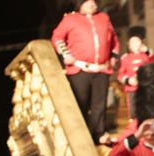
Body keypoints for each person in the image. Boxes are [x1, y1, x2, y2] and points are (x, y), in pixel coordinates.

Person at [51, 0, 119, 144]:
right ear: (80, 4)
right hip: (80, 68)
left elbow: (114, 39)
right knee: (81, 103)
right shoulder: (70, 19)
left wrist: (113, 56)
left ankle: (98, 133)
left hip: (101, 69)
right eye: (88, 1)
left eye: (93, 1)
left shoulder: (104, 17)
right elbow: (57, 37)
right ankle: (80, 135)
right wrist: (66, 54)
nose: (92, 4)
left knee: (99, 104)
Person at [116, 26, 154, 120]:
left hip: (145, 88)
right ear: (128, 44)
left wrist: (146, 51)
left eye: (137, 41)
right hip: (132, 89)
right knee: (133, 112)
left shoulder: (145, 56)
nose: (135, 44)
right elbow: (120, 75)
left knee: (147, 109)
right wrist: (128, 80)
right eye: (132, 42)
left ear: (142, 43)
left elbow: (152, 58)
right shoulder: (125, 58)